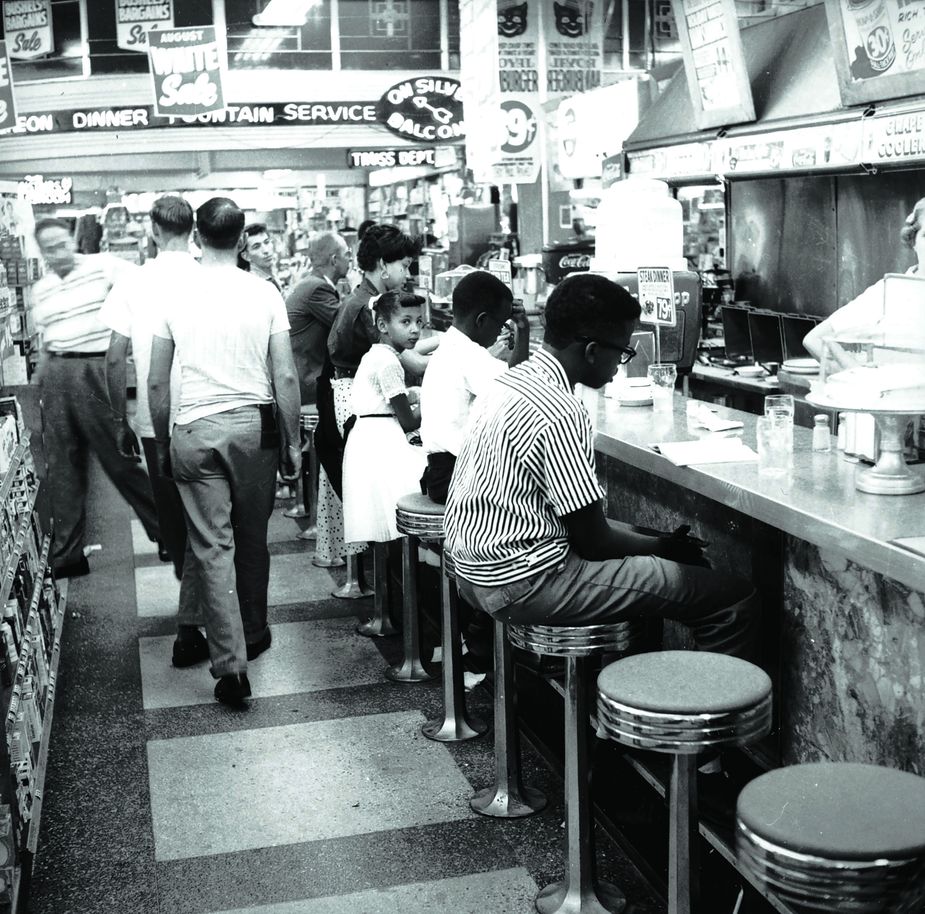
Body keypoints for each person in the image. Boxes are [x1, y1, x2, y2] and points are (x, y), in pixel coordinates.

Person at [445, 272, 760, 663]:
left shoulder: (510, 382)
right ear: (592, 350)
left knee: (656, 554)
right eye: (622, 352)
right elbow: (594, 542)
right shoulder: (560, 408)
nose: (621, 363)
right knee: (732, 600)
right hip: (524, 582)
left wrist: (655, 539)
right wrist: (665, 547)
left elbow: (579, 523)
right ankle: (709, 716)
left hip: (470, 571)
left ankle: (626, 696)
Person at [148, 197, 301, 707]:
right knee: (252, 537)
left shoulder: (173, 295)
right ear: (240, 240)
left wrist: (164, 439)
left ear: (195, 238)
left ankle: (229, 667)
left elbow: (155, 381)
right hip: (254, 428)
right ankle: (254, 631)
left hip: (192, 427)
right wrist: (292, 440)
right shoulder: (265, 293)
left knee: (212, 544)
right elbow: (284, 375)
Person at [30, 217, 161, 579]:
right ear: (41, 252)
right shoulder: (40, 289)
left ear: (72, 240)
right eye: (49, 248)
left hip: (94, 369)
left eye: (62, 244)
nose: (58, 252)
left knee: (119, 459)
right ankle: (69, 555)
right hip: (56, 374)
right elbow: (48, 338)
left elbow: (145, 287)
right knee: (63, 467)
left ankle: (165, 530)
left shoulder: (104, 266)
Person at [419, 270, 530, 504]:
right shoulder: (467, 353)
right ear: (481, 320)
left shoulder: (451, 345)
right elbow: (516, 389)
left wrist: (522, 330)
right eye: (500, 324)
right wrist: (523, 331)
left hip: (442, 473)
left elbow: (511, 383)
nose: (501, 331)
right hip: (457, 475)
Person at [342, 291, 426, 546]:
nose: (415, 330)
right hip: (383, 444)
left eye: (419, 322)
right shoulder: (389, 362)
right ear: (382, 325)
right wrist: (431, 396)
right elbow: (409, 422)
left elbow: (386, 398)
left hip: (367, 438)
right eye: (406, 322)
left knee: (384, 521)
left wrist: (412, 395)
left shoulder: (377, 354)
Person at [804, 197, 925, 369]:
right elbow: (815, 339)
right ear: (913, 241)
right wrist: (858, 377)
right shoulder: (891, 290)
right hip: (897, 395)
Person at [286, 232, 351, 405]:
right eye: (347, 254)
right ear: (334, 260)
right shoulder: (317, 288)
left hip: (304, 379)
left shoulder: (312, 283)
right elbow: (350, 326)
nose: (351, 260)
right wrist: (357, 287)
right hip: (309, 385)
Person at [239, 222, 280, 290]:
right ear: (246, 256)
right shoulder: (253, 285)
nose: (266, 250)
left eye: (267, 242)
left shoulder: (270, 276)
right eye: (256, 247)